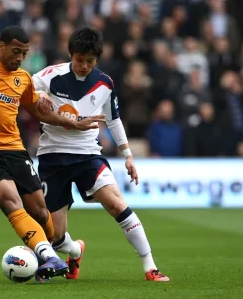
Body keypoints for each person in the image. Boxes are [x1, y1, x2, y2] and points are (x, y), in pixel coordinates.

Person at [0, 25, 105, 281]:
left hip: (15, 151)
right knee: (10, 200)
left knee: (41, 212)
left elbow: (38, 112)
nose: (19, 58)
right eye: (16, 51)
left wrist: (73, 123)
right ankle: (48, 256)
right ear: (2, 46)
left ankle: (71, 251)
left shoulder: (24, 79)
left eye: (24, 53)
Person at [33, 27, 170, 282]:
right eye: (79, 60)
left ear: (98, 59)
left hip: (88, 155)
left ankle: (150, 267)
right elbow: (24, 91)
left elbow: (114, 120)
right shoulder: (50, 75)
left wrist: (127, 154)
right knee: (55, 235)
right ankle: (74, 251)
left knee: (117, 204)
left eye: (90, 61)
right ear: (70, 54)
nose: (84, 66)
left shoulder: (105, 83)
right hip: (53, 157)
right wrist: (38, 95)